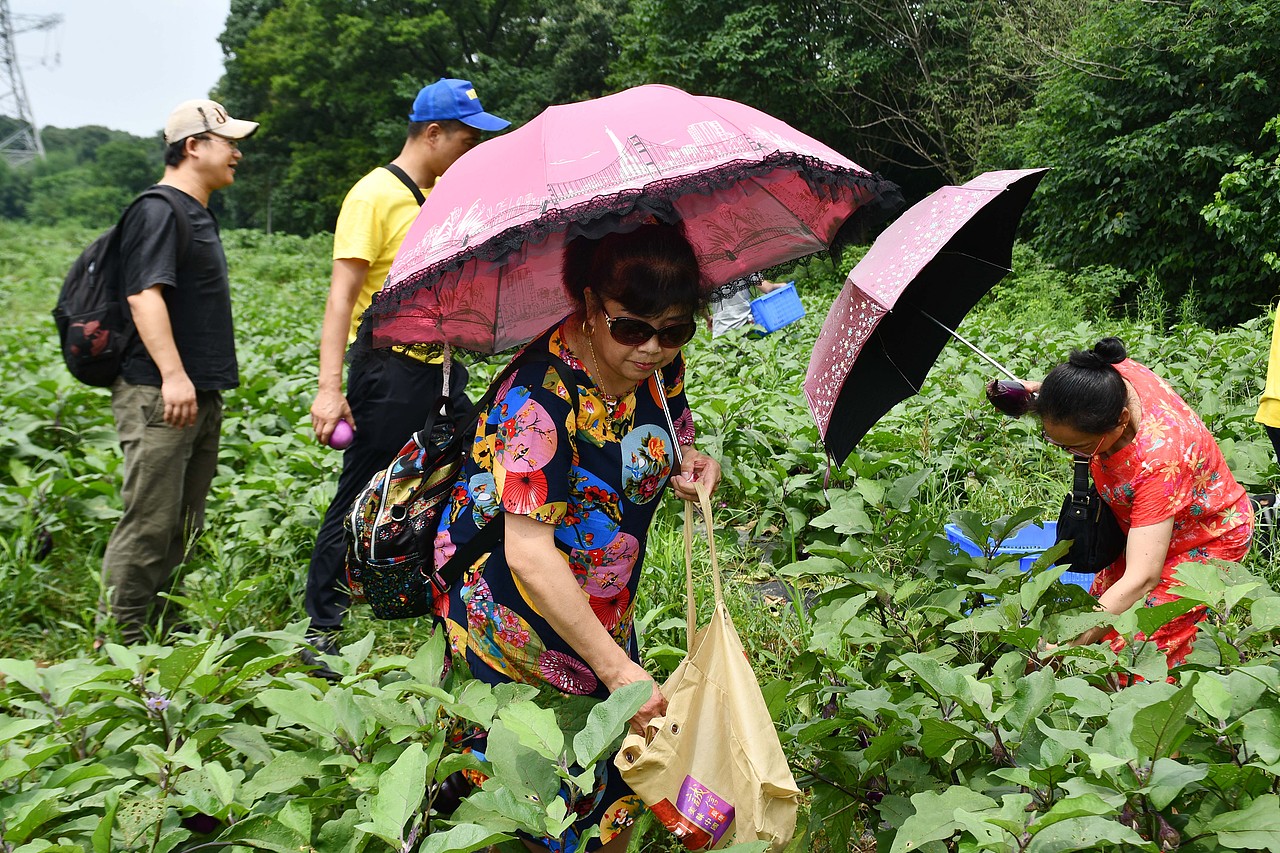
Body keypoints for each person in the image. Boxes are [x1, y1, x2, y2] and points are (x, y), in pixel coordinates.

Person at [435, 222, 723, 851]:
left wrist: (692, 462)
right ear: (590, 305)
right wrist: (618, 671)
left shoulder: (657, 368)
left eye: (675, 330)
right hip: (516, 625)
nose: (653, 347)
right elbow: (529, 555)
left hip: (601, 610)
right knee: (531, 796)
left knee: (613, 788)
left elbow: (670, 432)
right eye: (633, 328)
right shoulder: (538, 399)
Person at [302, 78, 509, 673]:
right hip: (387, 370)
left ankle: (439, 596)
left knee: (467, 473)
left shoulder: (441, 195)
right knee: (363, 491)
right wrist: (329, 389)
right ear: (433, 133)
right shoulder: (373, 195)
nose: (472, 150)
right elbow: (341, 297)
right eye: (467, 139)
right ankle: (322, 626)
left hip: (440, 369)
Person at [102, 99, 259, 645]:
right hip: (159, 392)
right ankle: (119, 641)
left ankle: (163, 628)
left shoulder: (195, 211)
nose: (237, 153)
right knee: (150, 521)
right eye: (228, 142)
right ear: (193, 146)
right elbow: (143, 296)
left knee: (184, 521)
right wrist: (173, 375)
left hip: (195, 392)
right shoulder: (159, 210)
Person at [1006, 336, 1253, 667]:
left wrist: (1066, 647)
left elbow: (1142, 577)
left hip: (1204, 537)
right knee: (1097, 614)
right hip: (1145, 528)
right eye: (1060, 444)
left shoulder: (1160, 461)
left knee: (1134, 650)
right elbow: (1080, 386)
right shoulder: (1108, 375)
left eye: (1082, 447)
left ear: (1121, 420)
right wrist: (1041, 391)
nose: (1072, 454)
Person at [708, 272, 786, 336]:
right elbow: (767, 288)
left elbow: (701, 303)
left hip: (720, 332)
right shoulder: (742, 265)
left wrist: (708, 318)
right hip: (744, 328)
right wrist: (780, 285)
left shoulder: (708, 272)